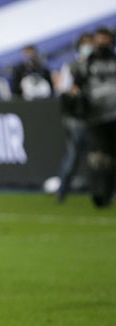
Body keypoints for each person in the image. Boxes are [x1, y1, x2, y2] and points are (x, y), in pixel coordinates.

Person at [74, 28, 116, 207]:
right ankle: (100, 193)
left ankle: (106, 193)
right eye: (98, 40)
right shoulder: (87, 64)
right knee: (101, 156)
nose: (101, 44)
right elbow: (77, 87)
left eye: (105, 40)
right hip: (96, 117)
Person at [54, 33, 93, 203]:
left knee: (104, 155)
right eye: (85, 44)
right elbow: (63, 90)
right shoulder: (71, 66)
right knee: (73, 155)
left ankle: (104, 192)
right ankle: (62, 192)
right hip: (76, 117)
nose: (88, 47)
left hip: (97, 116)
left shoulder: (99, 65)